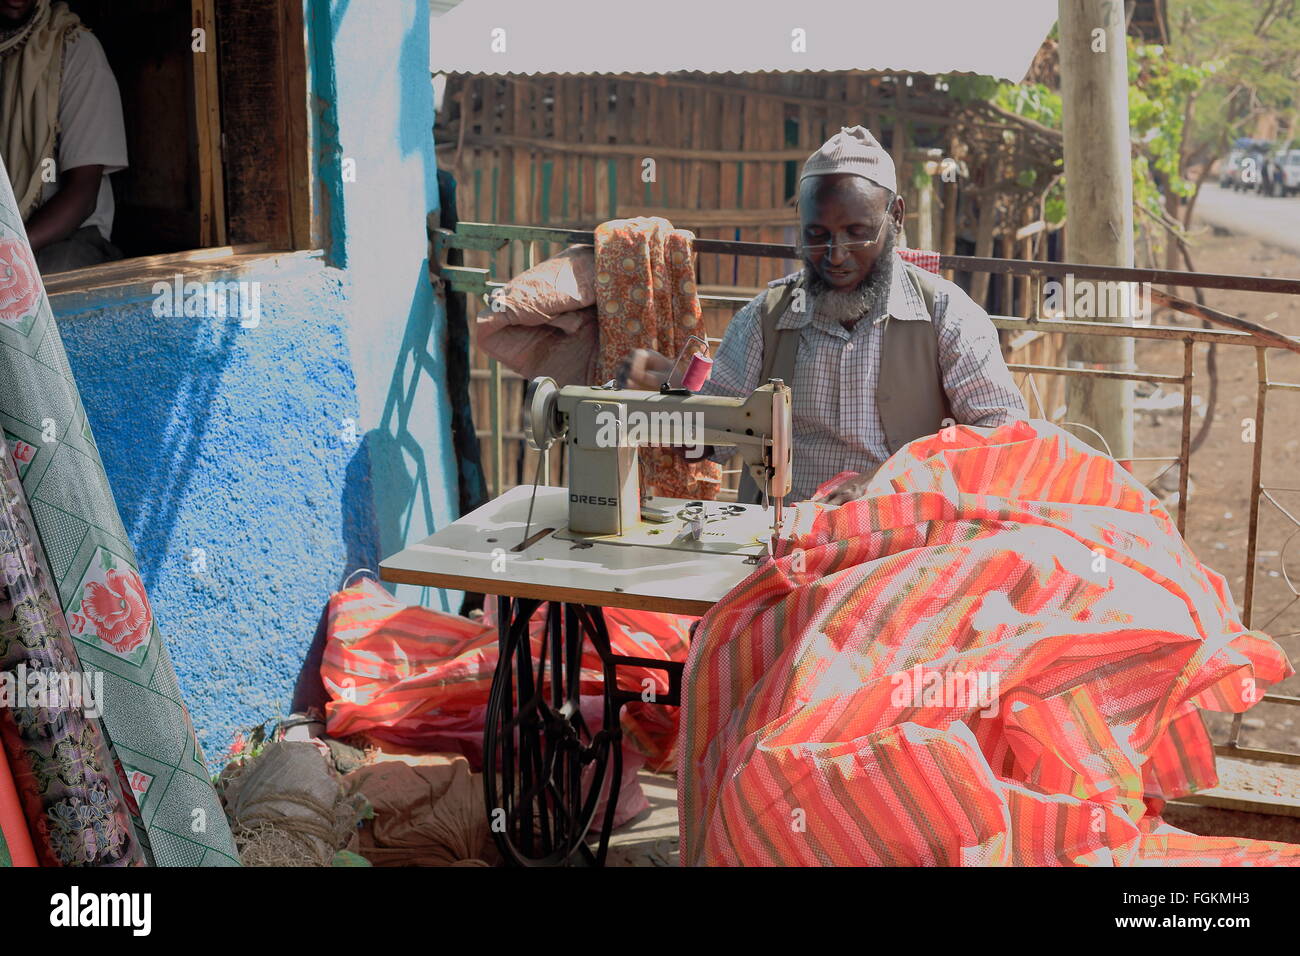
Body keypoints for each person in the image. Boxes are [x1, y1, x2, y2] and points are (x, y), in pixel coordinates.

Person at [621, 125, 1027, 504]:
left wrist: (887, 477)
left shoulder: (946, 316)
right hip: (787, 536)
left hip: (900, 538)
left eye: (857, 233)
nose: (835, 256)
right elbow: (709, 440)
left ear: (897, 217)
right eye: (817, 236)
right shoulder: (765, 320)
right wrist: (665, 393)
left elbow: (1006, 439)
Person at [0, 0, 127, 273]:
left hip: (65, 239)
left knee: (39, 290)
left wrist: (8, 253)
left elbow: (82, 194)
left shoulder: (74, 48)